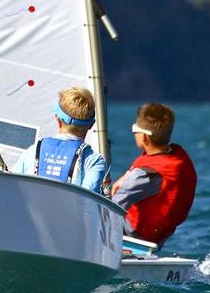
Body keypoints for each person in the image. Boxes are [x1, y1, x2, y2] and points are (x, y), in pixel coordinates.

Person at [111, 103, 197, 246]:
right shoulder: (178, 157)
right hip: (158, 236)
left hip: (133, 235)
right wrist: (128, 175)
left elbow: (114, 206)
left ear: (144, 137)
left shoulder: (144, 175)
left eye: (134, 129)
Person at [12, 87, 107, 193]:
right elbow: (88, 201)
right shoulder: (94, 161)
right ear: (91, 125)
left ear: (57, 119)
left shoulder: (33, 150)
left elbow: (13, 187)